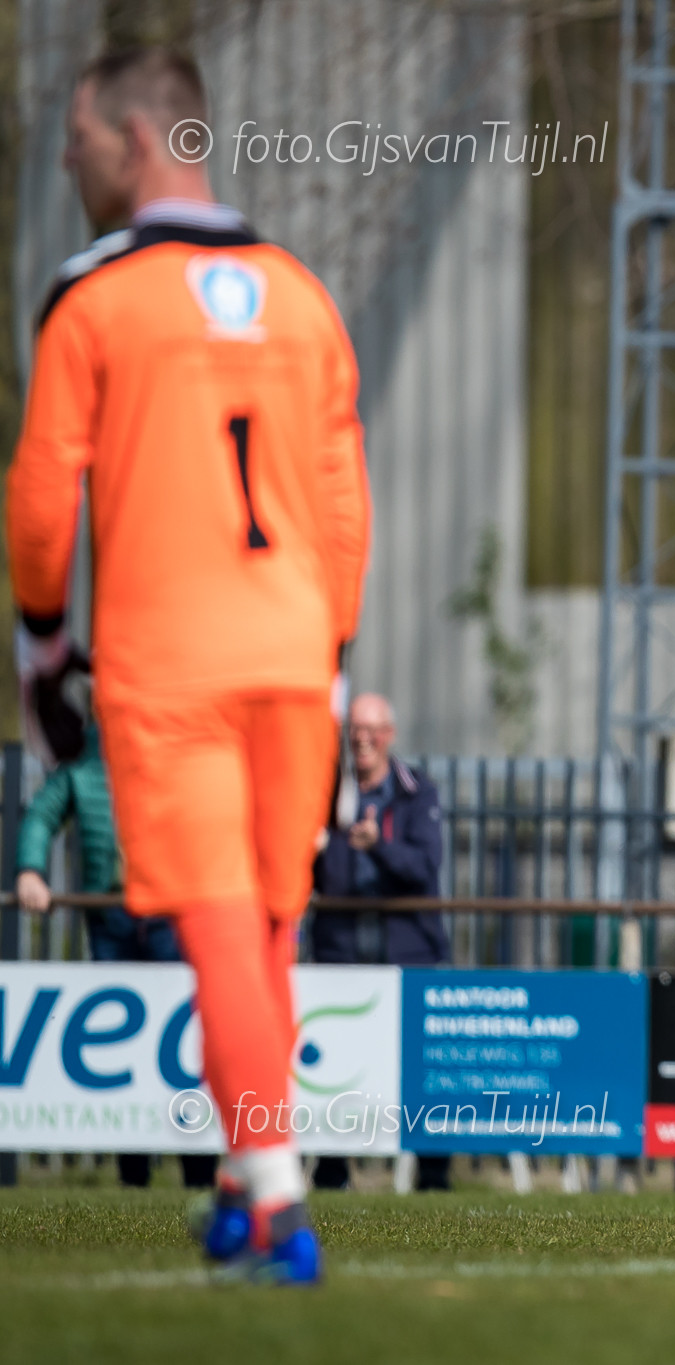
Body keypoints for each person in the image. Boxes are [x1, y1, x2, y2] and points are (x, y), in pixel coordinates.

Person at [9, 48, 371, 1283]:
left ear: (135, 141)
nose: (66, 159)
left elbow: (42, 499)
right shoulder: (303, 296)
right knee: (266, 929)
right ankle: (234, 1189)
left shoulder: (93, 296)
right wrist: (332, 651)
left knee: (217, 924)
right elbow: (343, 502)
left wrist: (44, 643)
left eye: (78, 138)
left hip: (173, 659)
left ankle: (279, 1201)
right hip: (295, 648)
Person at [16, 716, 218, 1191]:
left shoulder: (181, 743)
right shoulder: (84, 757)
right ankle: (133, 1176)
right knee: (125, 1050)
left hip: (172, 917)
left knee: (186, 1047)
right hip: (111, 919)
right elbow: (41, 814)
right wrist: (30, 869)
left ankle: (200, 1173)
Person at [309, 693, 446, 1191]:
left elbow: (425, 866)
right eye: (356, 729)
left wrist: (379, 847)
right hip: (342, 946)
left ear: (389, 735)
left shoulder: (416, 792)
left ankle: (433, 1175)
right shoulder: (326, 791)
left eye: (373, 729)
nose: (363, 739)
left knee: (422, 1065)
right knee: (336, 1061)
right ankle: (332, 1170)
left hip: (407, 946)